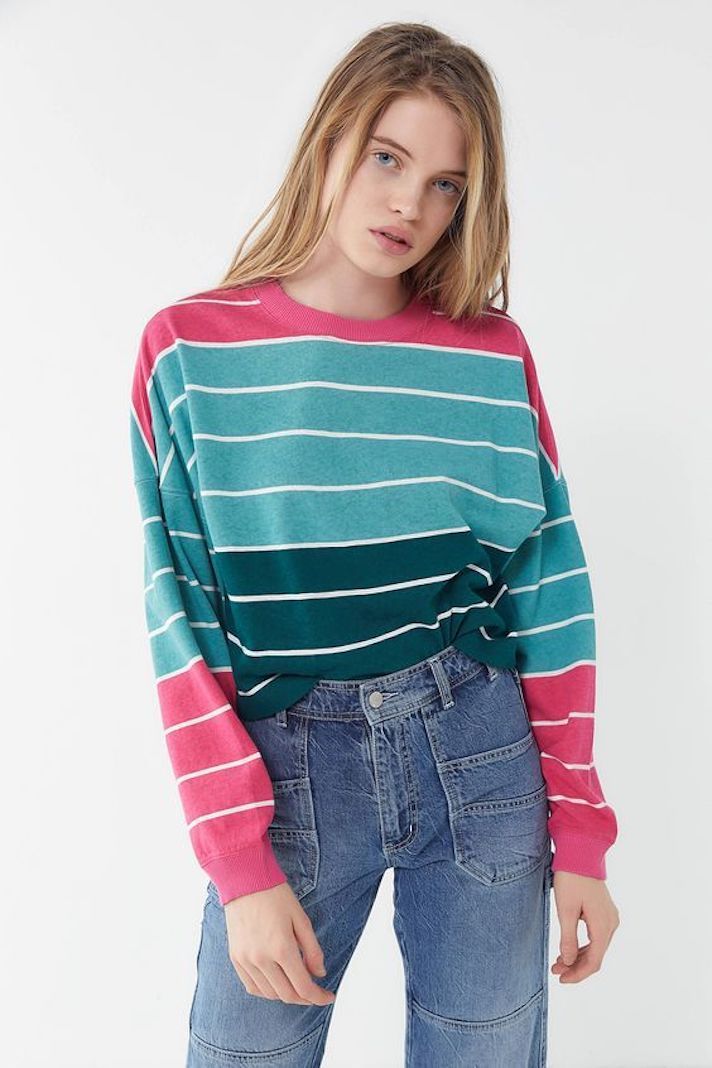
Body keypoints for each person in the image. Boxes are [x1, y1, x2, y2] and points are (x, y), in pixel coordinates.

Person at [129, 21, 620, 1067]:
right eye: (387, 159)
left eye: (445, 184)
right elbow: (180, 614)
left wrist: (581, 833)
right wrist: (239, 863)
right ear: (330, 144)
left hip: (478, 748)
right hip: (287, 773)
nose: (409, 205)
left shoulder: (490, 353)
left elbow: (551, 591)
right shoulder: (190, 350)